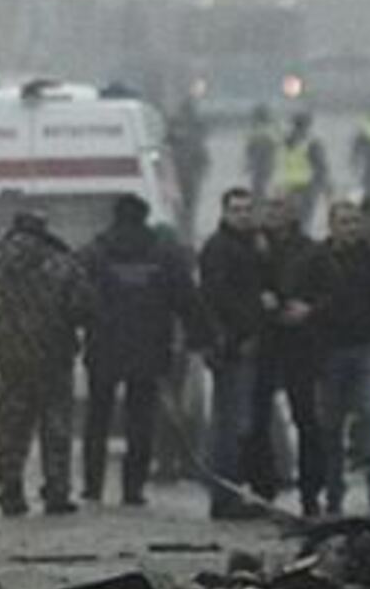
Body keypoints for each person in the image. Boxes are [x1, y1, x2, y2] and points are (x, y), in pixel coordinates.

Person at [0, 211, 97, 517]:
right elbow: (85, 308)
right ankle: (57, 491)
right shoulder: (62, 264)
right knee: (56, 427)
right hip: (54, 360)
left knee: (12, 428)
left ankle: (11, 492)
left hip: (11, 362)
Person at [79, 195, 209, 507]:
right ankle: (132, 488)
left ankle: (93, 487)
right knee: (140, 420)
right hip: (149, 348)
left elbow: (75, 296)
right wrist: (201, 337)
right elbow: (187, 300)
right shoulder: (164, 254)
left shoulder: (94, 253)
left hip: (103, 348)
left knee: (98, 418)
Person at [299, 200, 370, 512]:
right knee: (330, 428)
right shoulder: (316, 259)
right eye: (345, 221)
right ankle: (333, 494)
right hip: (329, 352)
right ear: (332, 225)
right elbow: (300, 296)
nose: (351, 228)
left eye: (355, 221)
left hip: (367, 348)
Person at [247, 195, 326, 516]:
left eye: (279, 207)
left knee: (306, 418)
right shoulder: (253, 249)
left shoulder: (310, 250)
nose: (272, 213)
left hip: (300, 343)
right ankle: (263, 486)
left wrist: (310, 309)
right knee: (258, 418)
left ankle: (311, 491)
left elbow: (332, 291)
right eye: (269, 207)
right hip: (265, 341)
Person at [198, 188, 273, 519]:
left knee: (236, 422)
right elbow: (219, 297)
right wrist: (248, 321)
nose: (243, 215)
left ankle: (230, 493)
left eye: (247, 209)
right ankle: (225, 496)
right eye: (237, 209)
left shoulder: (247, 245)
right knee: (229, 425)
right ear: (225, 212)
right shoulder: (220, 248)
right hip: (232, 346)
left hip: (243, 343)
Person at [167, 96, 211, 240]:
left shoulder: (176, 123)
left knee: (181, 203)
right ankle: (187, 230)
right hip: (190, 171)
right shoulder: (195, 125)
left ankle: (184, 230)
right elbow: (201, 149)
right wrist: (204, 166)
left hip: (180, 170)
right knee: (190, 203)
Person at [273, 112, 329, 219]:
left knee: (291, 217)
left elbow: (278, 163)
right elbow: (321, 167)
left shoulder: (284, 141)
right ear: (307, 126)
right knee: (304, 218)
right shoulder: (312, 142)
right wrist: (325, 186)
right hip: (307, 186)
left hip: (288, 185)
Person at [244, 105, 279, 201]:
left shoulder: (259, 127)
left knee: (260, 183)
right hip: (263, 161)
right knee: (260, 183)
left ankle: (260, 200)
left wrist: (249, 161)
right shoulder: (269, 126)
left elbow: (250, 146)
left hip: (263, 160)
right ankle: (260, 199)